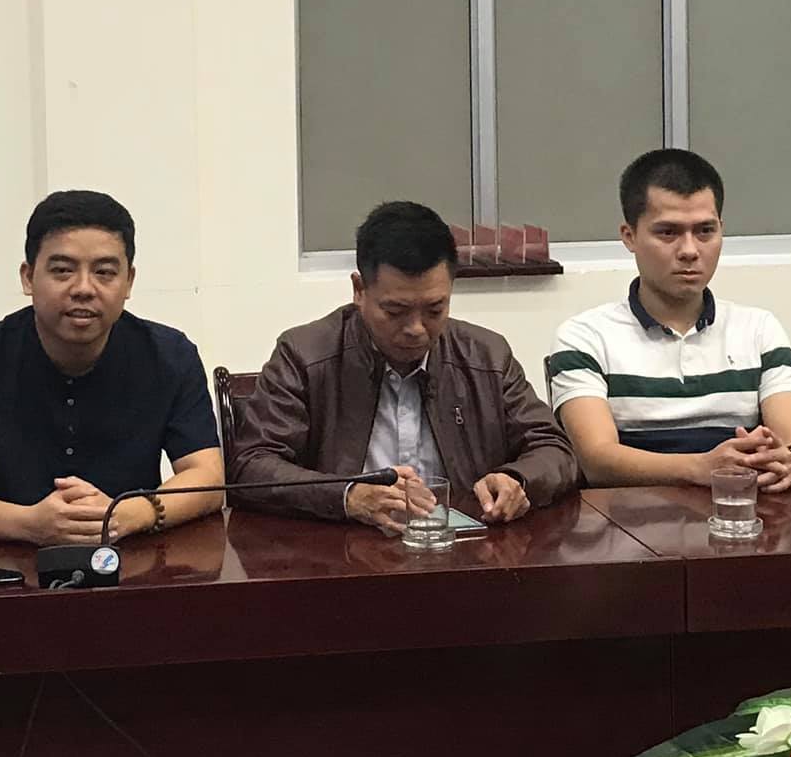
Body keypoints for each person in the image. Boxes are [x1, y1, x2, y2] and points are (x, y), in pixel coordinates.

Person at [232, 201, 578, 534]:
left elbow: (554, 450)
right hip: (341, 553)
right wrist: (346, 496)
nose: (416, 329)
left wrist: (517, 479)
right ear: (359, 290)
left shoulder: (487, 356)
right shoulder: (304, 355)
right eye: (395, 311)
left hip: (463, 550)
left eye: (434, 310)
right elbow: (252, 466)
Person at [0, 190, 224, 543]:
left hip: (131, 555)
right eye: (62, 271)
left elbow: (207, 476)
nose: (83, 288)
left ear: (129, 282)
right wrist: (29, 524)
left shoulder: (171, 356)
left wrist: (128, 514)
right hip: (4, 557)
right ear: (28, 278)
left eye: (104, 272)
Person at [547, 149, 791, 493]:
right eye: (668, 233)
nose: (690, 250)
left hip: (741, 513)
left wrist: (790, 459)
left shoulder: (759, 329)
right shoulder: (585, 337)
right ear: (629, 236)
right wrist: (700, 467)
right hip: (628, 521)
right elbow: (596, 461)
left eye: (705, 231)